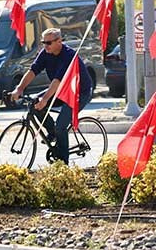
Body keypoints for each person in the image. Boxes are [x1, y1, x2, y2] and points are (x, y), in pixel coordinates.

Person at [9, 28, 95, 164]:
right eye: (43, 42)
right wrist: (19, 89)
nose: (45, 46)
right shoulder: (45, 53)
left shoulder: (68, 56)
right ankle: (53, 132)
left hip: (78, 92)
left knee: (61, 125)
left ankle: (63, 165)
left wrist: (45, 99)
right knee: (34, 104)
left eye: (48, 43)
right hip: (60, 90)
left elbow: (57, 81)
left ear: (59, 41)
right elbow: (33, 71)